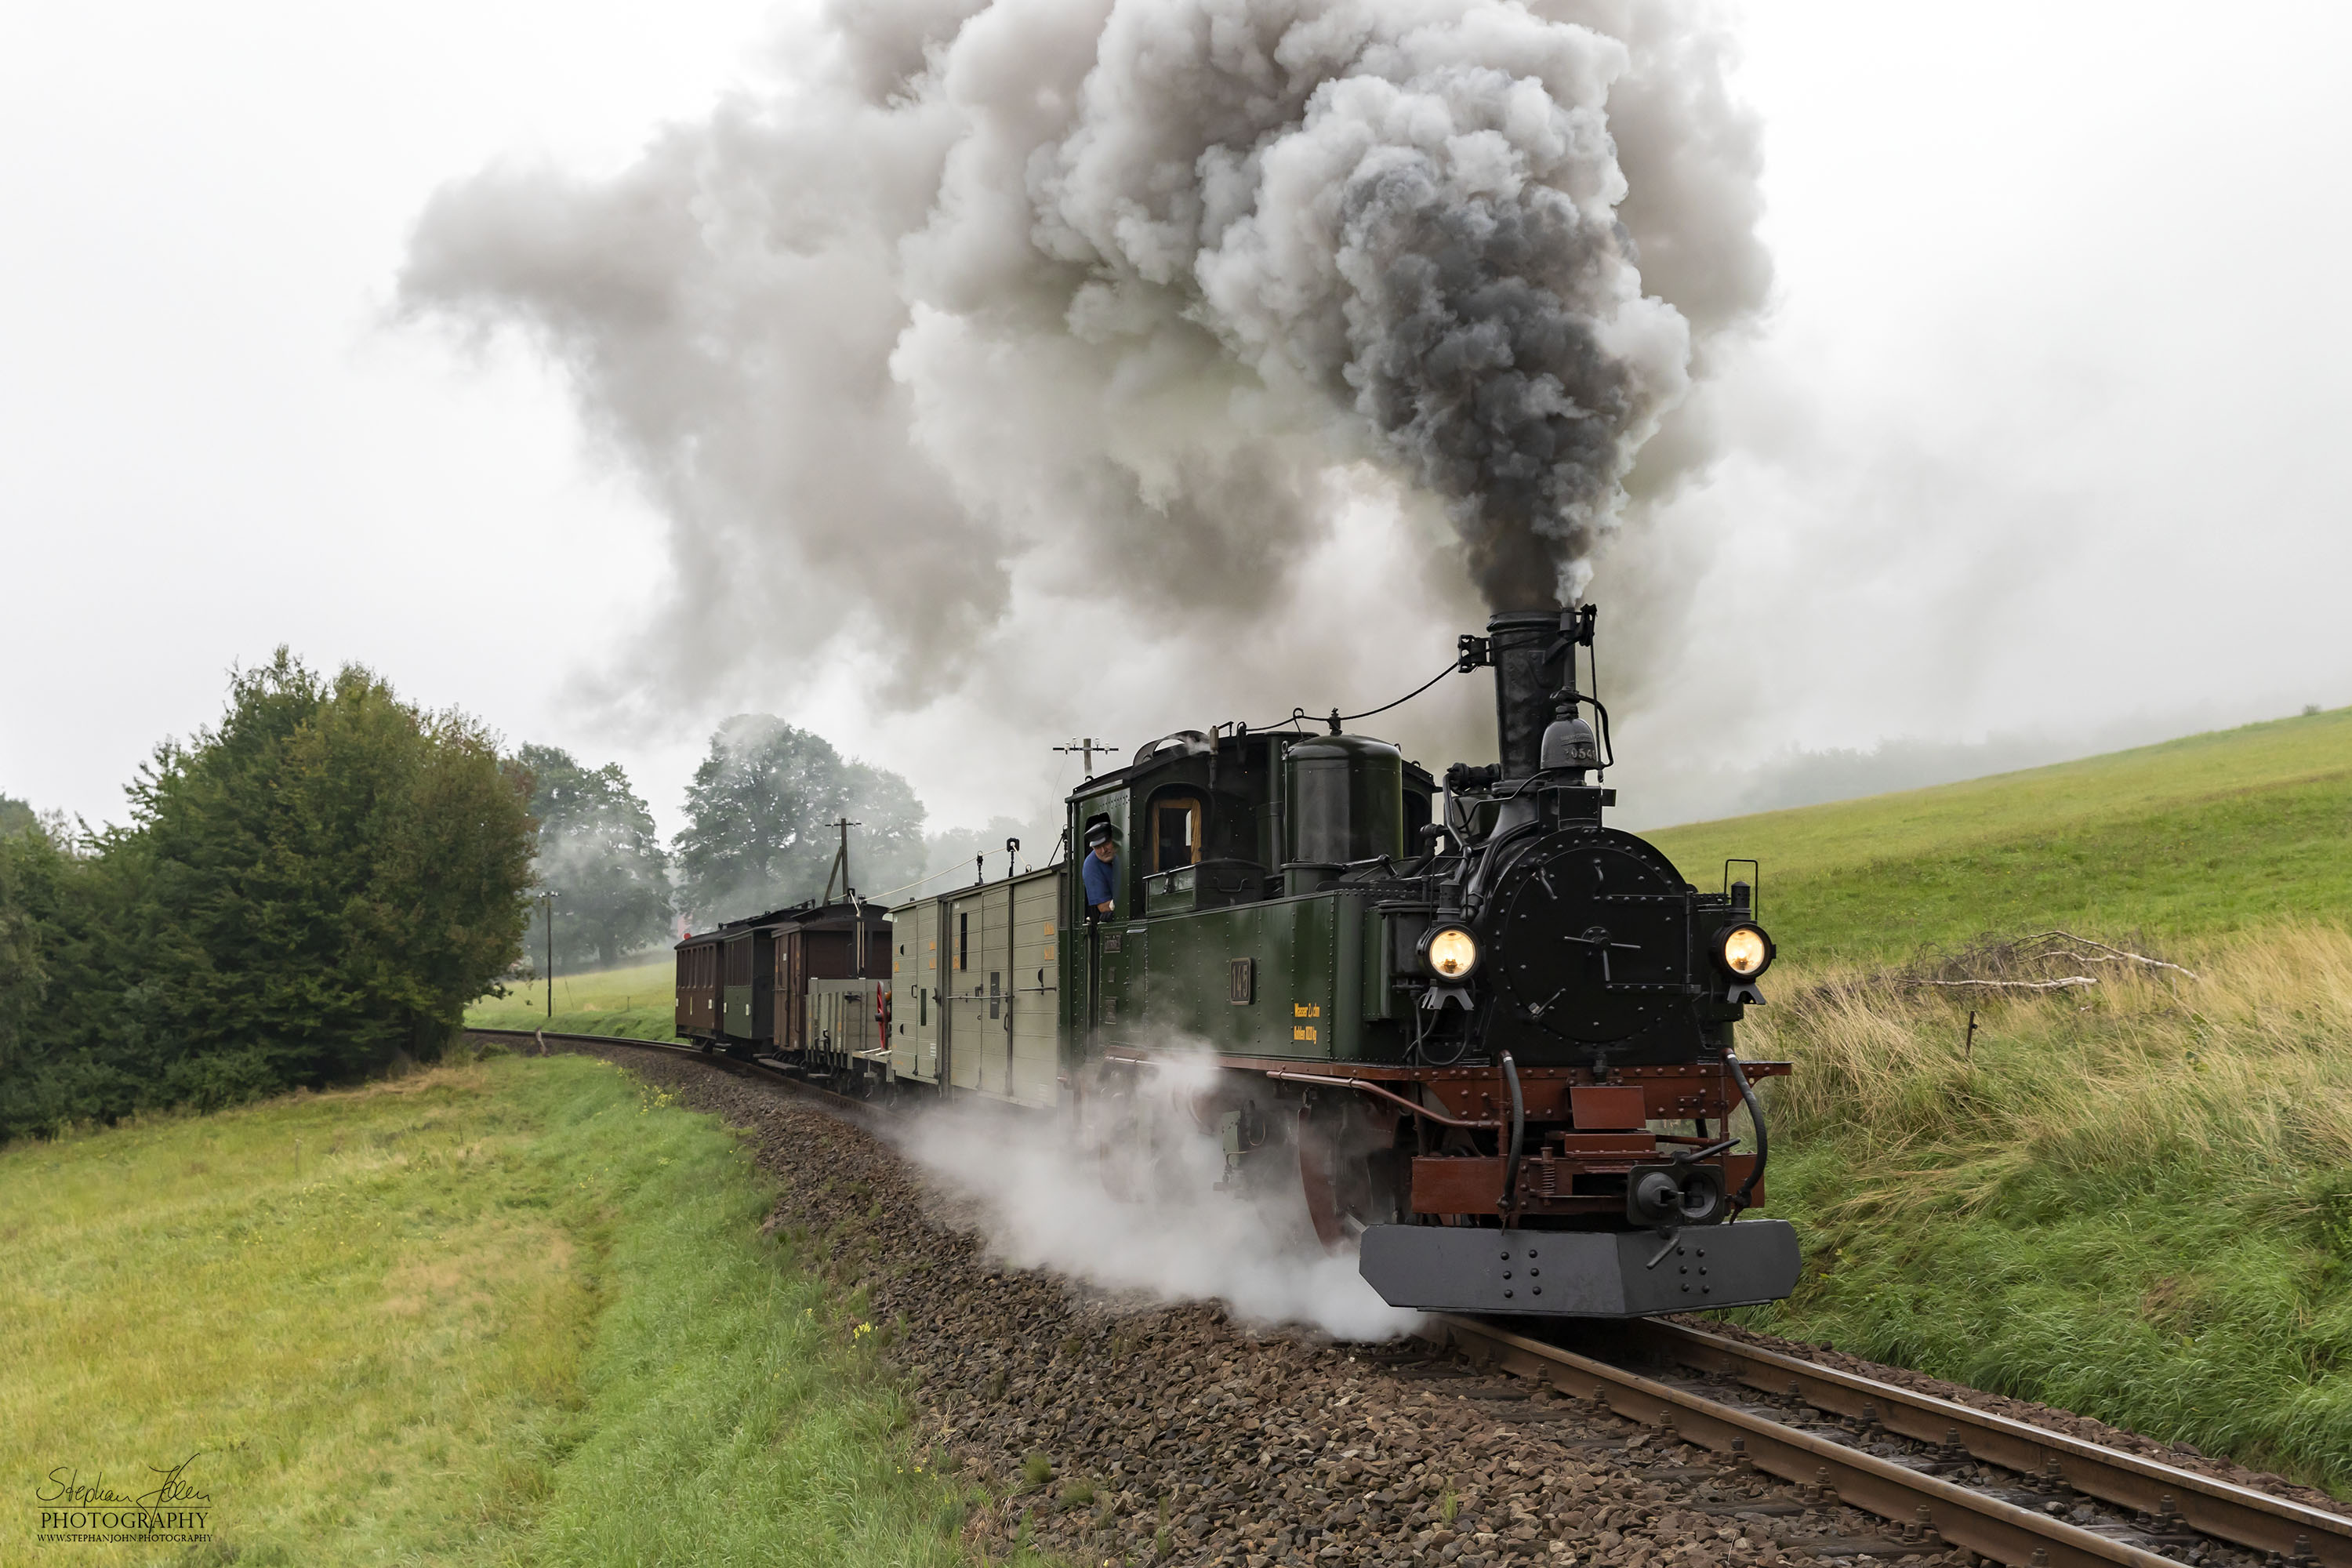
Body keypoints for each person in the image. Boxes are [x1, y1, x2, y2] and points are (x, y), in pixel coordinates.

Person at [1082, 821, 1118, 918]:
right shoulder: (1091, 865)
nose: (1103, 850)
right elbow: (1104, 907)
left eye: (1106, 843)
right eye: (1098, 847)